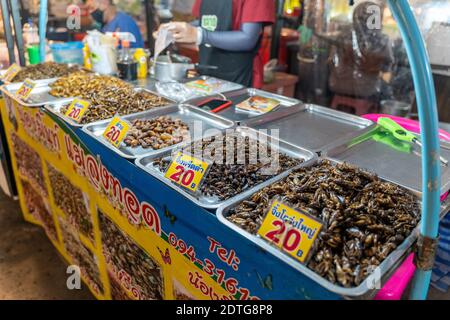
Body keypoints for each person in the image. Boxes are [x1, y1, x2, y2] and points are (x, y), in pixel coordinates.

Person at [159, 0, 275, 88]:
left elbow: (248, 39)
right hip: (208, 73)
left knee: (236, 119)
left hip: (240, 77)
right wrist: (178, 29)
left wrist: (200, 35)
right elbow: (206, 22)